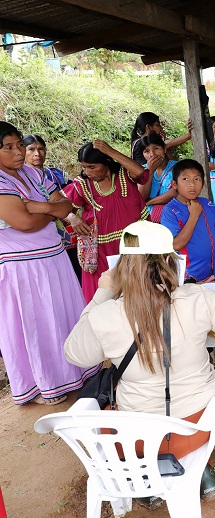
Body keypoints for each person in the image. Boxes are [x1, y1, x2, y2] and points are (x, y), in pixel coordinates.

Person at [64, 221, 215, 506]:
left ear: (121, 268)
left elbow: (74, 353)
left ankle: (148, 480)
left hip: (138, 438)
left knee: (113, 408)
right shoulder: (197, 299)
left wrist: (102, 293)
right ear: (170, 262)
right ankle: (199, 469)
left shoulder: (105, 315)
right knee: (207, 395)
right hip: (199, 423)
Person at [0, 121, 98, 405]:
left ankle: (76, 372)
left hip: (53, 259)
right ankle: (45, 385)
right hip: (23, 268)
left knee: (63, 317)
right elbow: (24, 223)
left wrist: (38, 206)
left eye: (20, 144)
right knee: (36, 325)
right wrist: (50, 210)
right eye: (9, 147)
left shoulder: (31, 172)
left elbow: (66, 204)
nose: (19, 152)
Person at [63, 140, 149, 302]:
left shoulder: (125, 175)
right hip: (100, 251)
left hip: (133, 246)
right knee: (102, 299)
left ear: (107, 162)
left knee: (136, 295)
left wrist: (111, 151)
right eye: (84, 167)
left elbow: (141, 173)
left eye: (92, 167)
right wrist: (72, 218)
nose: (87, 172)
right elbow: (56, 206)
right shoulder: (82, 185)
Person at [22, 133, 80, 281]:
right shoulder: (20, 180)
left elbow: (69, 203)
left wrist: (65, 210)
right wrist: (62, 212)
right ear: (22, 151)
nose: (37, 154)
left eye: (41, 149)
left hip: (69, 237)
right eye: (31, 149)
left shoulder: (56, 175)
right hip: (40, 241)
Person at [160, 159, 215, 283]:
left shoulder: (207, 204)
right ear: (174, 184)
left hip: (214, 273)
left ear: (203, 183)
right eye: (185, 179)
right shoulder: (170, 210)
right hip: (189, 277)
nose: (192, 184)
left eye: (197, 179)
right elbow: (176, 245)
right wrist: (194, 215)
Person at [136, 133, 177, 220]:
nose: (152, 154)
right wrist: (150, 171)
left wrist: (150, 202)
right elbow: (141, 197)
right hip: (147, 219)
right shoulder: (142, 170)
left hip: (172, 217)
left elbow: (176, 192)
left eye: (156, 148)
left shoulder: (177, 167)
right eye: (147, 151)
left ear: (165, 149)